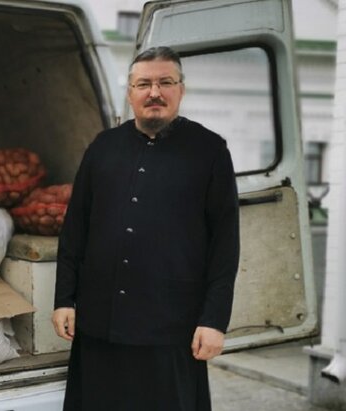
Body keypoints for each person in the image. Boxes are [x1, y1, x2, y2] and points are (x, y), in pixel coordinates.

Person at [52, 46, 239, 411]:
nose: (154, 92)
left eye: (165, 82)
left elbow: (225, 245)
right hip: (99, 326)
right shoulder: (102, 147)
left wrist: (214, 321)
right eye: (144, 84)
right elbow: (75, 230)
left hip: (169, 330)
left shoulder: (210, 151)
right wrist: (64, 298)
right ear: (130, 92)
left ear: (181, 90)